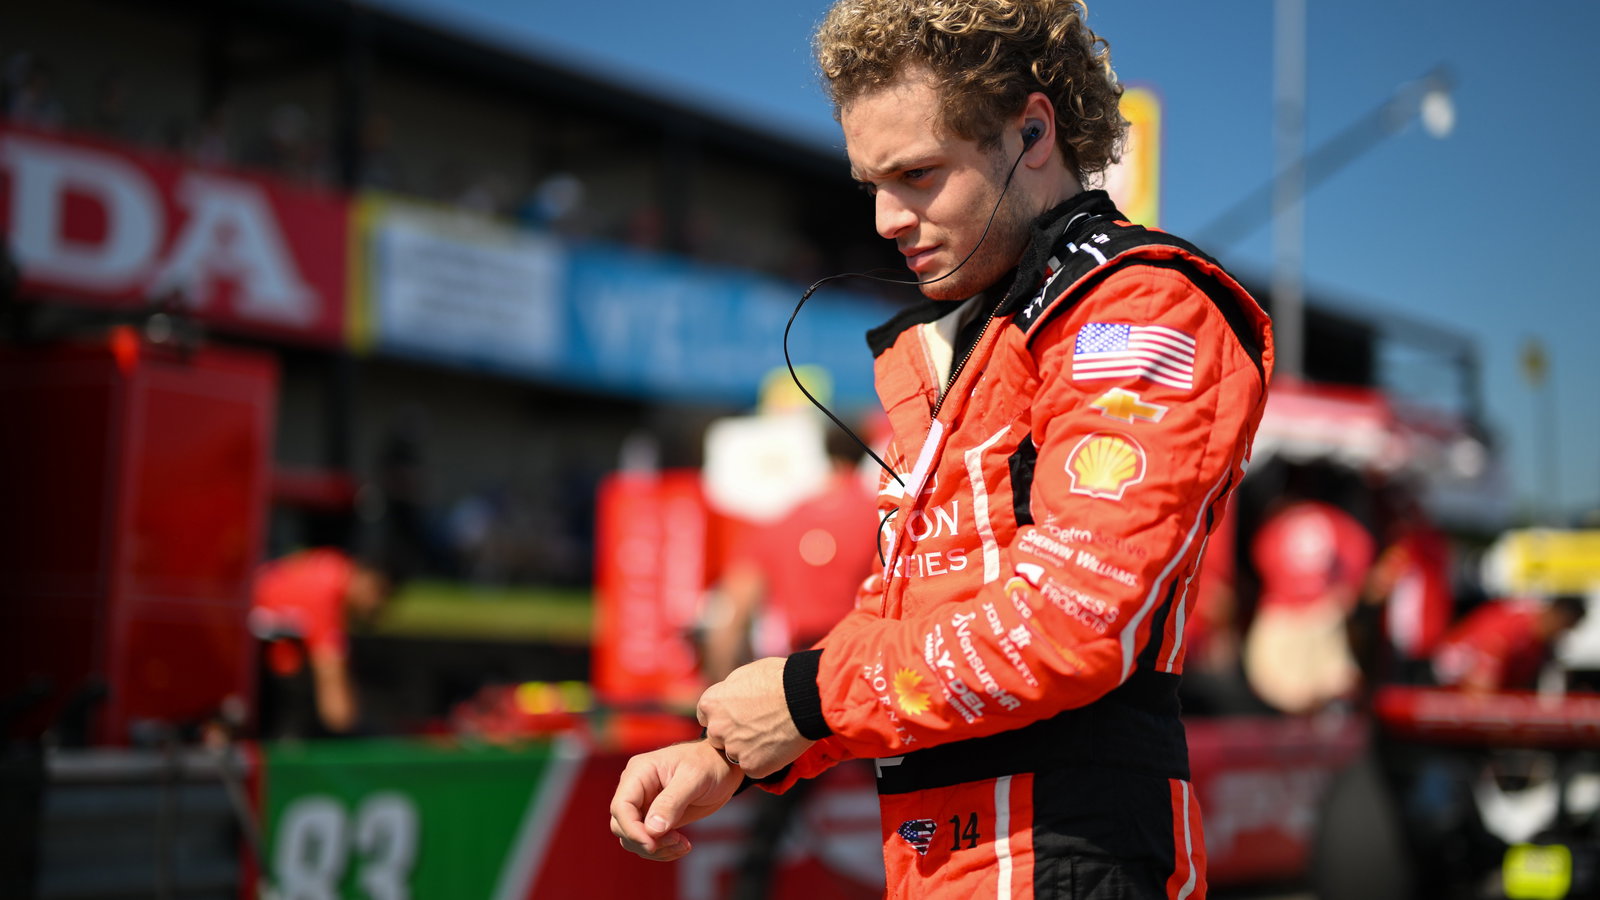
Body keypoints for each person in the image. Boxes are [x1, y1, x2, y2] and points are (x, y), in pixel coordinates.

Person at [609, 1, 1273, 896]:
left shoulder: (1136, 309)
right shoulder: (970, 345)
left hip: (1070, 856)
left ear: (1032, 131)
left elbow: (1071, 624)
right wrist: (734, 751)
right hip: (943, 854)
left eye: (919, 174)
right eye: (870, 183)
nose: (886, 218)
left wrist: (804, 700)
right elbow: (925, 633)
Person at [249, 547, 397, 737]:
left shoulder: (330, 563)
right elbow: (337, 712)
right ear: (368, 580)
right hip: (253, 678)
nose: (378, 607)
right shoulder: (327, 591)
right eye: (381, 594)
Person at [1431, 595, 1587, 694]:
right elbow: (1481, 687)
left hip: (1477, 688)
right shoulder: (1517, 626)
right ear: (1555, 616)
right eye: (1565, 627)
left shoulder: (1542, 643)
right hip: (1444, 681)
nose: (1563, 635)